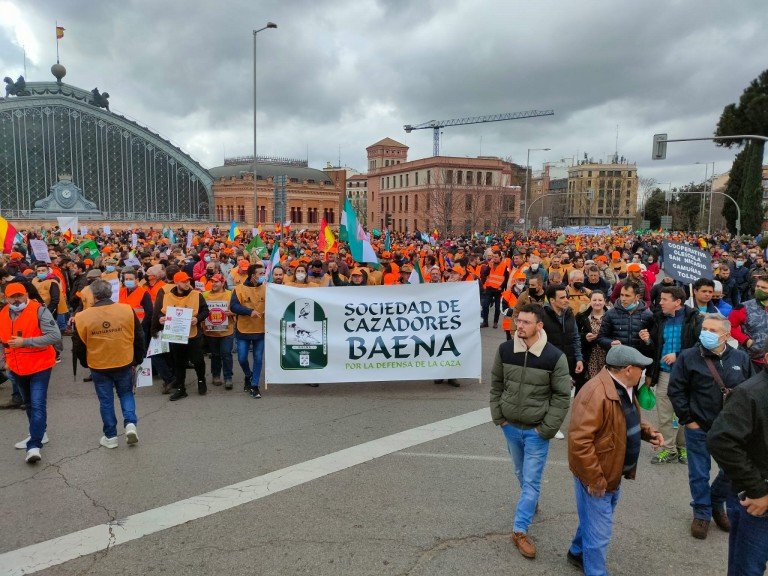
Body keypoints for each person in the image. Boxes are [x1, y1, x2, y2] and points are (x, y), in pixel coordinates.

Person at [567, 345, 664, 575]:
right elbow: (580, 441)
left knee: (595, 519)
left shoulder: (623, 387)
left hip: (612, 473)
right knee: (599, 533)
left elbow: (624, 418)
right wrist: (595, 479)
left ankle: (576, 551)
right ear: (628, 369)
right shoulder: (595, 392)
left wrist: (647, 431)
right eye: (641, 368)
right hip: (599, 476)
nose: (644, 373)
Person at [490, 304, 572, 560]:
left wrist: (546, 429)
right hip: (510, 427)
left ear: (539, 326)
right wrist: (499, 417)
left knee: (531, 480)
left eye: (526, 322)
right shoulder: (505, 350)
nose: (520, 326)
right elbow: (496, 385)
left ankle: (519, 529)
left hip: (537, 432)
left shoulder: (554, 356)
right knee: (520, 473)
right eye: (518, 321)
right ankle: (530, 500)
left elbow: (561, 396)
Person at [667, 313, 754, 539]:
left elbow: (751, 392)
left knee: (732, 471)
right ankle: (702, 513)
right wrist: (689, 420)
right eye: (704, 328)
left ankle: (716, 501)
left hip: (731, 431)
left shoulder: (741, 359)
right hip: (700, 427)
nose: (705, 333)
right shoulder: (688, 357)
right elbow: (676, 390)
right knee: (699, 474)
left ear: (725, 335)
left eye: (712, 330)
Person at [707, 342, 768, 576]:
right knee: (746, 570)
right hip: (758, 507)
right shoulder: (750, 393)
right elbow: (721, 440)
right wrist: (758, 490)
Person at [72, 279, 144, 449]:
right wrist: (138, 358)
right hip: (124, 360)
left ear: (94, 295)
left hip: (98, 364)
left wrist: (85, 363)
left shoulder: (82, 317)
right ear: (110, 293)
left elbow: (79, 345)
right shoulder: (126, 310)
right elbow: (138, 336)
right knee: (126, 394)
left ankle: (110, 436)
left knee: (106, 401)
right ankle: (130, 424)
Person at [1, 282, 62, 463]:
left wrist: (26, 342)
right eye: (13, 296)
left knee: (37, 403)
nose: (17, 299)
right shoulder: (3, 314)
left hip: (40, 365)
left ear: (26, 294)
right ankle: (40, 433)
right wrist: (5, 361)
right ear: (6, 298)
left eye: (20, 295)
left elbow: (54, 336)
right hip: (17, 367)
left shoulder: (39, 310)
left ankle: (34, 446)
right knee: (28, 403)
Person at [641, 285, 702, 464]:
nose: (660, 303)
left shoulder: (694, 319)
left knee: (684, 413)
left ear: (677, 302)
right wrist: (647, 340)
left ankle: (682, 448)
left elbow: (701, 346)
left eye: (664, 300)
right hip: (664, 374)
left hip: (686, 374)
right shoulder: (659, 319)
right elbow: (655, 346)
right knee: (665, 414)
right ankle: (669, 449)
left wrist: (678, 355)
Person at [151, 271, 209, 401]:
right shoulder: (168, 296)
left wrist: (198, 319)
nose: (187, 283)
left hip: (193, 334)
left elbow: (206, 310)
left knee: (198, 360)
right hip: (176, 335)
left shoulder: (197, 295)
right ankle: (181, 388)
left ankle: (201, 379)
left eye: (188, 280)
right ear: (177, 282)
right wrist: (161, 319)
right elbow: (162, 312)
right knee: (179, 362)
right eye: (184, 281)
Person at [231, 263, 266, 398]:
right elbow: (234, 306)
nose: (263, 276)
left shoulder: (266, 288)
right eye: (260, 274)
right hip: (243, 329)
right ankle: (248, 375)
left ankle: (254, 385)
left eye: (263, 273)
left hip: (260, 329)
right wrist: (249, 311)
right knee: (241, 358)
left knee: (258, 358)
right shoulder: (239, 289)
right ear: (253, 276)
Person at [597, 280, 652, 352]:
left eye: (627, 295)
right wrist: (610, 343)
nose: (623, 299)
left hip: (639, 359)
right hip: (617, 358)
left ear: (637, 297)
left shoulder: (648, 315)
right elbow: (601, 338)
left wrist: (647, 341)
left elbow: (653, 343)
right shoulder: (610, 314)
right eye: (621, 295)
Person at [202, 273, 235, 389]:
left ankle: (228, 377)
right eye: (212, 281)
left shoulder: (230, 295)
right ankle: (216, 375)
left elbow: (236, 309)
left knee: (226, 353)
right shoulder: (205, 295)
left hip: (227, 330)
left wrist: (232, 313)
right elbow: (200, 309)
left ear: (222, 283)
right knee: (215, 355)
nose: (214, 284)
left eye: (216, 282)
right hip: (211, 331)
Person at [729, 276, 768, 372]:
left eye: (763, 288)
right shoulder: (743, 307)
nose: (759, 289)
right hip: (753, 360)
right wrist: (746, 340)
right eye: (757, 286)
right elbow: (729, 326)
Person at [576, 290, 608, 392]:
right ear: (590, 301)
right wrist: (584, 337)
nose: (597, 303)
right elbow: (574, 335)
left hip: (606, 357)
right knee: (590, 387)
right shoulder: (581, 317)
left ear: (604, 301)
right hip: (589, 357)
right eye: (594, 300)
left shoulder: (610, 316)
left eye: (600, 300)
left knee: (605, 386)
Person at [480, 251, 508, 329]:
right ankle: (485, 322)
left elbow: (506, 278)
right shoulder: (490, 264)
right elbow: (485, 274)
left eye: (496, 257)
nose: (494, 259)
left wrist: (502, 287)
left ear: (500, 257)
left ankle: (495, 322)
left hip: (498, 290)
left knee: (497, 307)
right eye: (493, 257)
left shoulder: (504, 265)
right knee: (485, 305)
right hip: (489, 288)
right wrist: (489, 266)